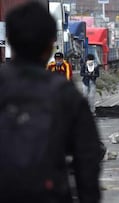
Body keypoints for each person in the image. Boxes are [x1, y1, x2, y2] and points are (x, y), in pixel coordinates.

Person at [1, 2, 101, 202]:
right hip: (48, 194)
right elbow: (87, 157)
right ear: (49, 44)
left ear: (10, 40)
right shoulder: (64, 93)